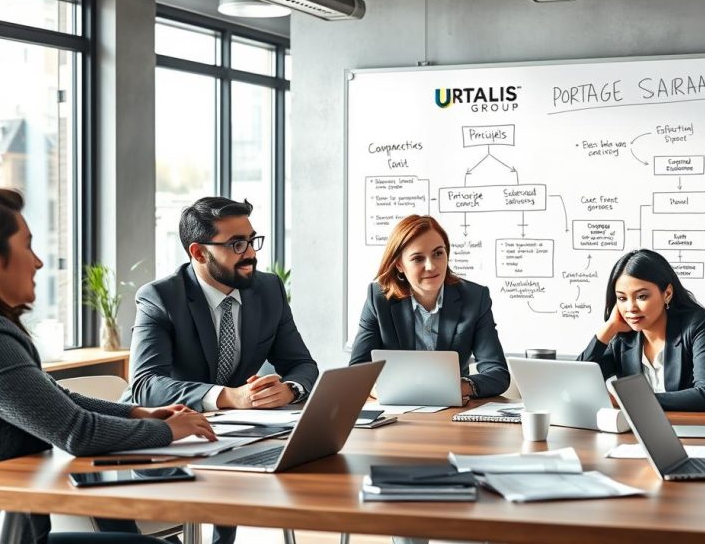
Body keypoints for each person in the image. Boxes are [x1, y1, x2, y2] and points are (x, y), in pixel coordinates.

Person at [0, 188, 216, 544]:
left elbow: (56, 397)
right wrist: (171, 431)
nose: (38, 262)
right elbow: (76, 433)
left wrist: (137, 415)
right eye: (28, 246)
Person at [117, 196, 318, 544]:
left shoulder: (268, 289)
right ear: (198, 253)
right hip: (158, 436)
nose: (251, 253)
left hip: (229, 435)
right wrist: (227, 396)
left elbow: (301, 364)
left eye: (252, 240)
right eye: (236, 244)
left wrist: (290, 389)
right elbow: (145, 385)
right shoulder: (160, 298)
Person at [349, 214, 509, 403]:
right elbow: (356, 374)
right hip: (398, 414)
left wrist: (460, 386)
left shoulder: (475, 297)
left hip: (453, 415)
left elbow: (498, 374)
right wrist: (383, 390)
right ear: (399, 264)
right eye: (417, 258)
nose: (431, 266)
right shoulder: (379, 299)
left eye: (438, 253)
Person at [578, 248, 705, 412]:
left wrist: (630, 400)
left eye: (641, 296)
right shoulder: (623, 339)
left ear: (667, 293)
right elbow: (577, 382)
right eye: (622, 298)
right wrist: (608, 329)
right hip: (648, 431)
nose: (630, 308)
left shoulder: (698, 324)